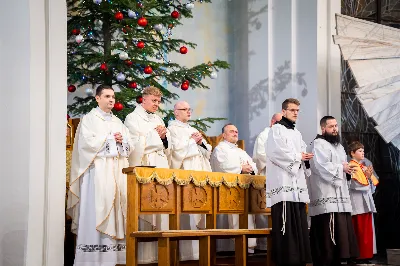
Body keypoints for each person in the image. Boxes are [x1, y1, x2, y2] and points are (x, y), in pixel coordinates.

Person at [67, 85, 133, 266]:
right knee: (96, 210)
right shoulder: (89, 119)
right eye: (107, 96)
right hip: (96, 173)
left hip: (116, 172)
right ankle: (92, 258)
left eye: (113, 97)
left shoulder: (118, 122)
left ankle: (114, 258)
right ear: (97, 98)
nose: (111, 100)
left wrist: (122, 141)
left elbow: (128, 147)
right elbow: (86, 145)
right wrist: (111, 139)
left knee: (116, 211)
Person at [124, 86, 170, 263]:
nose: (157, 104)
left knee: (162, 206)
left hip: (160, 163)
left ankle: (161, 255)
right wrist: (155, 136)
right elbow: (133, 144)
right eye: (154, 101)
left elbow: (166, 144)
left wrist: (165, 137)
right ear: (143, 99)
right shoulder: (132, 118)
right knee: (147, 207)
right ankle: (143, 257)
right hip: (145, 164)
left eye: (158, 101)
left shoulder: (158, 118)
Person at [265, 98, 313, 266]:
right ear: (283, 111)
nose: (295, 113)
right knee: (286, 222)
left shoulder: (296, 133)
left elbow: (301, 152)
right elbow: (276, 153)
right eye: (292, 110)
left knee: (299, 221)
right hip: (283, 183)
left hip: (296, 184)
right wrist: (299, 157)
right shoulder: (276, 130)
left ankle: (299, 258)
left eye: (297, 110)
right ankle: (287, 259)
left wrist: (305, 159)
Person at [307, 116, 359, 266]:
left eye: (336, 126)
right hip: (326, 191)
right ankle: (326, 258)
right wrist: (340, 168)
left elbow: (342, 165)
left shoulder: (339, 146)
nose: (335, 129)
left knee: (341, 224)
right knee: (327, 226)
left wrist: (347, 170)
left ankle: (340, 256)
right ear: (323, 129)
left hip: (339, 192)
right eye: (331, 126)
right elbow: (321, 166)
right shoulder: (318, 144)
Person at [167, 100, 212, 261]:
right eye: (184, 109)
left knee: (199, 210)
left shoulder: (192, 129)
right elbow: (176, 151)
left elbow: (208, 151)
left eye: (189, 109)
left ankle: (199, 253)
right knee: (187, 212)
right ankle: (185, 254)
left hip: (200, 170)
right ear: (175, 112)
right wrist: (193, 141)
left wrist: (200, 142)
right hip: (186, 173)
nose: (188, 111)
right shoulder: (171, 129)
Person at [210, 123, 258, 253]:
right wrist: (240, 168)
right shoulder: (220, 149)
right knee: (233, 218)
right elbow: (222, 166)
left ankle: (248, 248)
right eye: (231, 131)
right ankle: (230, 248)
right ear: (224, 135)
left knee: (245, 218)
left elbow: (253, 165)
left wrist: (250, 169)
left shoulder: (240, 151)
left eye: (236, 131)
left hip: (244, 190)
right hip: (227, 191)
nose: (235, 133)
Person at [252, 112, 282, 251]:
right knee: (266, 210)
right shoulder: (264, 135)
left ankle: (279, 243)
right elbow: (260, 156)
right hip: (268, 176)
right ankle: (264, 246)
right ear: (272, 122)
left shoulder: (282, 136)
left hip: (281, 178)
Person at [348, 141, 379, 264]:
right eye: (359, 151)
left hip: (367, 201)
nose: (362, 153)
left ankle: (366, 255)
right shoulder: (351, 166)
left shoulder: (364, 166)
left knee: (367, 231)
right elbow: (356, 186)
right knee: (359, 230)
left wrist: (369, 178)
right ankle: (357, 256)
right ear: (352, 153)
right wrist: (367, 178)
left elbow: (371, 188)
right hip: (357, 202)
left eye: (363, 150)